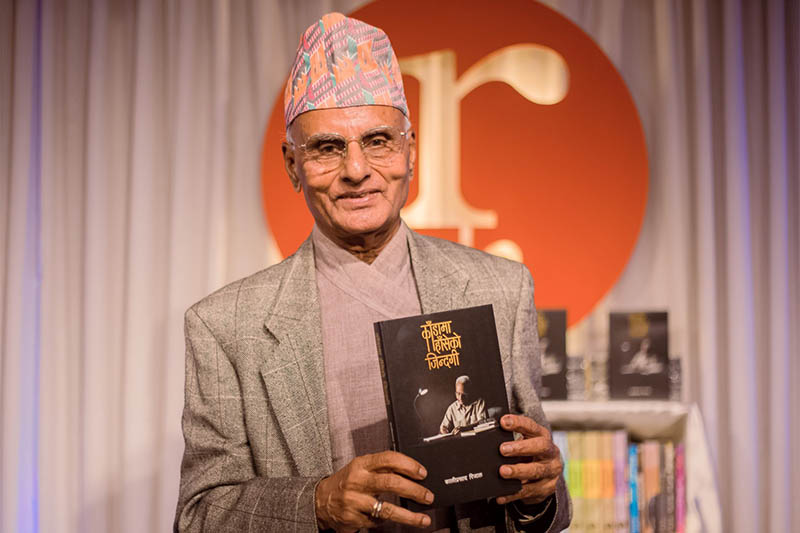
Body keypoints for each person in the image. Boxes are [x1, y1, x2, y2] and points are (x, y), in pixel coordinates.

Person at [174, 12, 570, 533]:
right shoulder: (227, 326)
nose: (356, 170)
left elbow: (540, 499)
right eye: (326, 148)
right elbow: (198, 515)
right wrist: (316, 502)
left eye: (378, 140)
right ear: (291, 164)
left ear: (410, 151)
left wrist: (538, 495)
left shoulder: (500, 290)